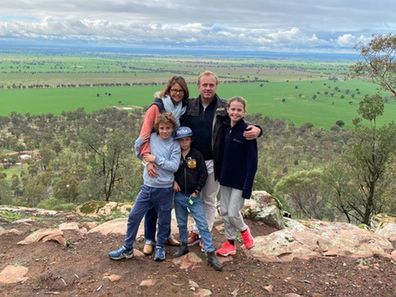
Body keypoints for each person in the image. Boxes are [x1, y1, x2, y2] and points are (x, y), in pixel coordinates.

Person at [180, 70, 262, 246]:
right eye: (205, 85)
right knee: (194, 198)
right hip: (193, 161)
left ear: (216, 86)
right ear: (199, 86)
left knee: (209, 199)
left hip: (215, 162)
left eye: (211, 85)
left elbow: (240, 122)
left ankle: (204, 233)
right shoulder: (190, 106)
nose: (208, 88)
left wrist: (258, 129)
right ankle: (196, 230)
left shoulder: (223, 107)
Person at [108, 112, 181, 262]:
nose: (165, 131)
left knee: (164, 219)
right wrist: (139, 143)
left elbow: (174, 166)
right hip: (147, 187)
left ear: (173, 128)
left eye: (168, 128)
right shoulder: (152, 139)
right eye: (162, 128)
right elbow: (139, 153)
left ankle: (160, 246)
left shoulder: (175, 144)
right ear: (157, 128)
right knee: (134, 216)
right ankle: (127, 247)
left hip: (165, 189)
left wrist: (156, 159)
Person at [138, 76, 189, 255]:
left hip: (169, 164)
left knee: (166, 206)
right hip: (153, 162)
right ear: (168, 90)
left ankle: (165, 236)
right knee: (152, 206)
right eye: (174, 90)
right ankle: (150, 240)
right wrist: (146, 160)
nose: (177, 93)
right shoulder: (156, 108)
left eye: (180, 91)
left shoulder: (182, 109)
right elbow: (144, 135)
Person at [172, 126, 222, 271]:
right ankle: (183, 245)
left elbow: (203, 174)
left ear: (191, 140)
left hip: (194, 195)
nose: (184, 143)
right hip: (179, 195)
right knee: (181, 222)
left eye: (186, 139)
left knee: (202, 223)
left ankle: (210, 252)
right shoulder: (175, 155)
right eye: (181, 140)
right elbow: (171, 170)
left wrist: (197, 190)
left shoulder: (197, 155)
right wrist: (173, 181)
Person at [215, 96, 257, 257]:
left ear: (244, 112)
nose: (235, 112)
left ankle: (245, 230)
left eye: (239, 110)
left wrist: (248, 186)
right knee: (224, 211)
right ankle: (230, 243)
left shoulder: (248, 132)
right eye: (232, 109)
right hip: (225, 178)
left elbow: (252, 162)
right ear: (227, 110)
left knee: (233, 212)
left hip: (240, 181)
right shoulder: (225, 127)